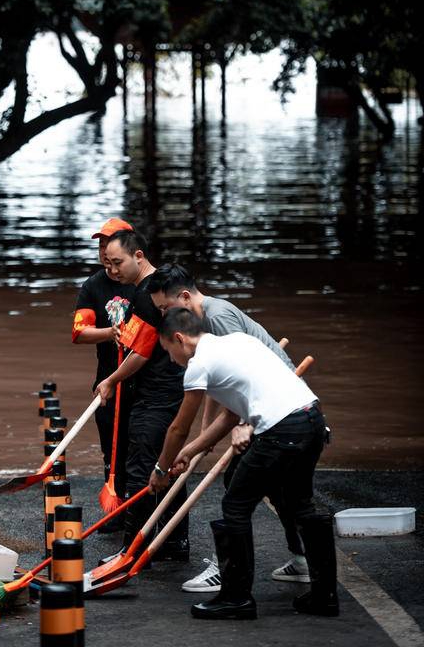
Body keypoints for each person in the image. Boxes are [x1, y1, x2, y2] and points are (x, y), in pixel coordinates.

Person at [158, 307, 338, 620]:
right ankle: (325, 597)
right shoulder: (238, 341)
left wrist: (161, 469)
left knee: (236, 505)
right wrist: (189, 452)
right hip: (311, 418)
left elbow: (178, 428)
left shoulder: (198, 365)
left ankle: (236, 598)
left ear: (179, 338)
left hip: (282, 430)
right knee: (301, 505)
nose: (171, 360)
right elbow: (230, 415)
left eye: (168, 351)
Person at [147, 263, 309, 591]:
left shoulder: (217, 318)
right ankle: (303, 559)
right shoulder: (202, 326)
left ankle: (227, 570)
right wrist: (205, 437)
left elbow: (244, 372)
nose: (164, 315)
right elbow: (219, 382)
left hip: (274, 408)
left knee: (239, 484)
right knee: (278, 489)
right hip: (275, 409)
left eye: (165, 307)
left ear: (184, 297)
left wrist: (244, 424)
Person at [95, 230, 189, 562]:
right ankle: (173, 542)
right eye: (107, 263)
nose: (112, 270)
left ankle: (132, 550)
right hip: (166, 389)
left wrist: (111, 380)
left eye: (117, 262)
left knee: (140, 470)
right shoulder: (150, 290)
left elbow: (141, 352)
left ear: (139, 256)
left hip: (157, 393)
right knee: (166, 464)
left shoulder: (150, 294)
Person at [72, 218, 136, 519]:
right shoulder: (93, 286)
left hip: (143, 381)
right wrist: (110, 333)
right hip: (108, 380)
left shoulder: (143, 282)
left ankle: (141, 511)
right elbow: (79, 332)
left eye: (109, 245)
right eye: (100, 246)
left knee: (139, 449)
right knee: (111, 450)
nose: (104, 252)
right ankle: (116, 512)